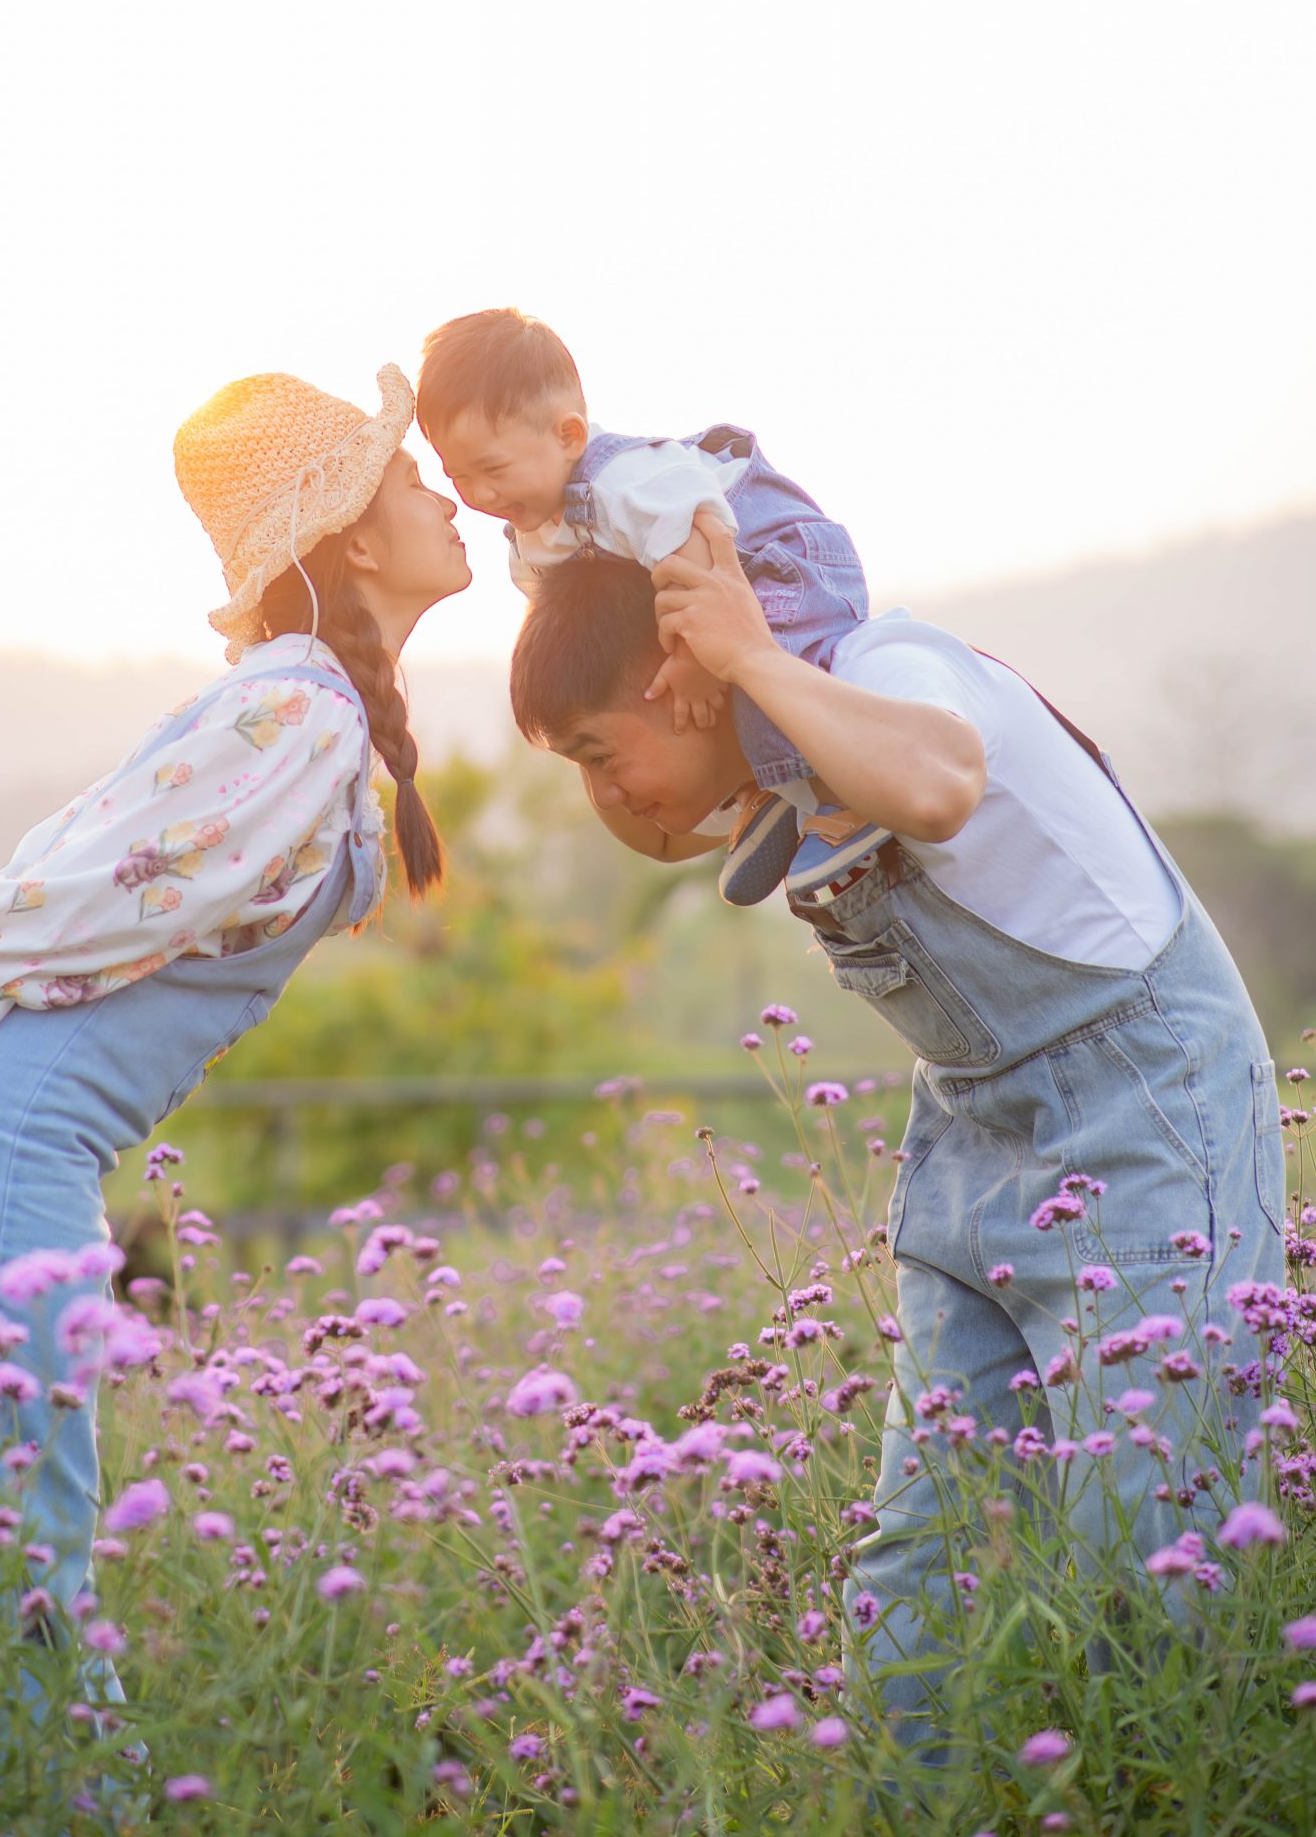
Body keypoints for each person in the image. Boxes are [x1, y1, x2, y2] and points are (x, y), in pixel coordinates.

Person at [0, 363, 470, 1725]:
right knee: (2, 1540)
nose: (441, 491)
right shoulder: (295, 714)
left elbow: (56, 897)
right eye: (407, 474)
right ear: (352, 536)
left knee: (9, 1531)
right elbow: (72, 900)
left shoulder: (297, 712)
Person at [507, 518, 1287, 1738]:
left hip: (1147, 1113)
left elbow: (938, 787)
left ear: (688, 679)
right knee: (914, 1570)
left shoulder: (885, 670)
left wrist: (748, 656)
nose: (603, 795)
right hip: (973, 1137)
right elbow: (661, 785)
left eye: (602, 753)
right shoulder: (776, 778)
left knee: (1148, 1551)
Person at [416, 304, 880, 903]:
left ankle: (845, 798)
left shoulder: (626, 478)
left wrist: (695, 657)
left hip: (776, 562)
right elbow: (563, 613)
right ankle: (768, 798)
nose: (480, 495)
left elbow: (699, 540)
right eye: (459, 479)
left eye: (493, 470)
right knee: (740, 697)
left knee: (774, 671)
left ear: (569, 435)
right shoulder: (534, 535)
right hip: (713, 583)